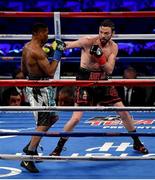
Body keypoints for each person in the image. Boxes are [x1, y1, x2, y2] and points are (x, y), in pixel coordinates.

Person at [50, 19, 149, 156]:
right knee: (76, 118)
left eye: (106, 33)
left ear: (112, 34)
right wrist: (54, 46)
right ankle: (58, 148)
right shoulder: (88, 41)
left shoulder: (114, 47)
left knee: (124, 112)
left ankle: (137, 143)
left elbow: (109, 70)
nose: (103, 35)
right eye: (101, 32)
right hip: (84, 81)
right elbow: (66, 45)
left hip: (103, 81)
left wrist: (100, 57)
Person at [20, 22, 65, 173]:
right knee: (44, 120)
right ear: (36, 33)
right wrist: (57, 54)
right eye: (44, 33)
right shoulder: (37, 52)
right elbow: (51, 72)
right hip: (39, 89)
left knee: (53, 117)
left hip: (37, 86)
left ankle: (30, 145)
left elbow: (22, 69)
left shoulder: (27, 47)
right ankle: (28, 156)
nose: (47, 35)